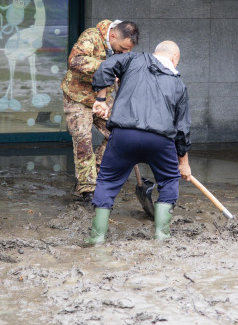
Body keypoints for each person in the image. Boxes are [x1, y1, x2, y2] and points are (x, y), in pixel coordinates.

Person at [85, 40, 191, 244]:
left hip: (124, 135)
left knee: (107, 180)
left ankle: (96, 237)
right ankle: (162, 235)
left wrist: (100, 99)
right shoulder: (179, 84)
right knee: (169, 180)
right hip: (160, 139)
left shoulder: (133, 59)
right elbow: (182, 129)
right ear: (174, 59)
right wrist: (183, 163)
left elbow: (105, 66)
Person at [60, 19, 139, 205]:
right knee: (83, 141)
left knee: (120, 132)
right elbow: (75, 61)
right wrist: (109, 65)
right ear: (112, 36)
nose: (125, 53)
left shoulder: (120, 48)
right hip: (77, 98)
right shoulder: (91, 36)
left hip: (102, 98)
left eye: (128, 50)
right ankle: (88, 189)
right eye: (122, 48)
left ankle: (96, 171)